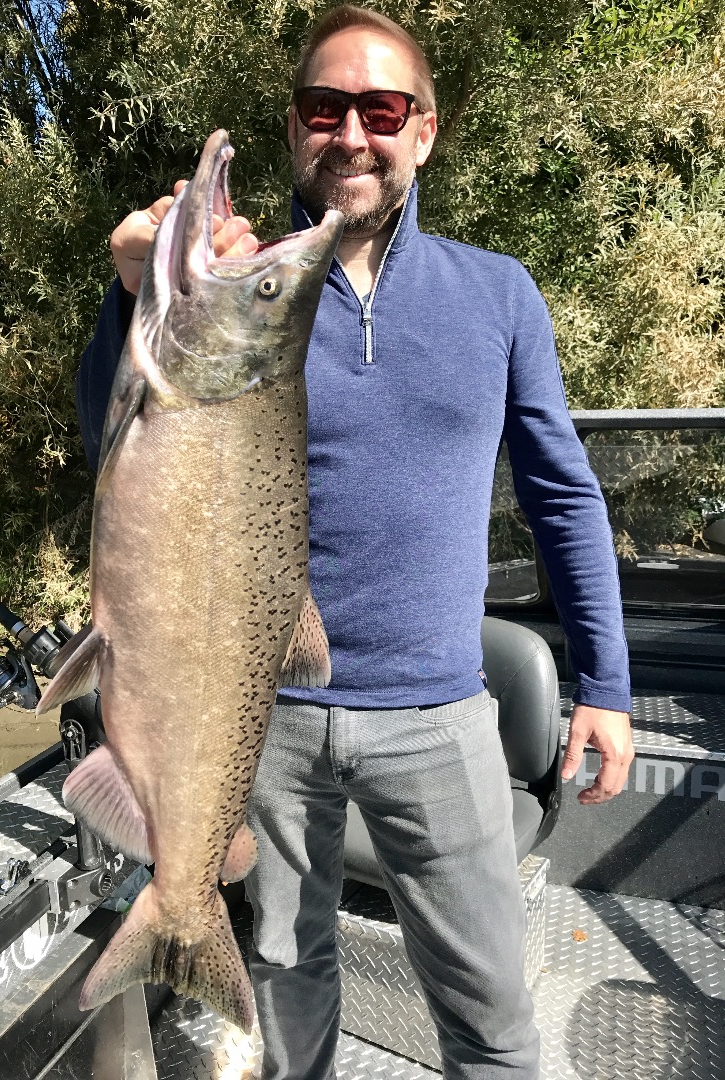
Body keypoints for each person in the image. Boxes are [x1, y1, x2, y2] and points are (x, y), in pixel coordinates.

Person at [76, 6, 635, 1077]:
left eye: (382, 109)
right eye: (325, 108)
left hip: (441, 718)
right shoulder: (238, 280)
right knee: (288, 1002)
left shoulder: (499, 294)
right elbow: (118, 447)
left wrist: (604, 681)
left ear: (424, 132)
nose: (352, 133)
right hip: (264, 722)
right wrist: (133, 291)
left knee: (492, 1018)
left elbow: (563, 497)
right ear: (295, 129)